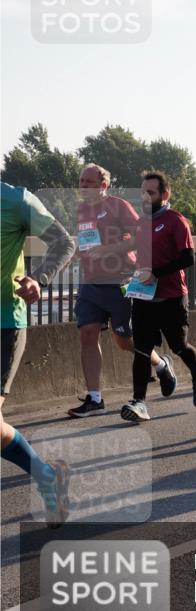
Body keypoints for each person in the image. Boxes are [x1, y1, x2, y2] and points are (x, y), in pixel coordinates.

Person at [69, 163, 175, 417]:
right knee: (87, 333)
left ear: (103, 185)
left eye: (89, 182)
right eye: (81, 181)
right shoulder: (82, 210)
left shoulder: (117, 206)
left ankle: (160, 364)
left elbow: (140, 236)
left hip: (120, 281)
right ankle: (94, 398)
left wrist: (109, 249)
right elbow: (85, 240)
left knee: (124, 341)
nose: (83, 186)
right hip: (91, 282)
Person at [1, 182, 75, 527]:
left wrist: (39, 279)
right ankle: (47, 475)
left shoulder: (15, 199)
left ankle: (46, 476)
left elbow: (64, 242)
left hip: (4, 321)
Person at [121, 172, 196, 422]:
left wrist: (156, 273)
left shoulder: (176, 221)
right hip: (143, 298)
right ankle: (139, 402)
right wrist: (134, 274)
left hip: (171, 297)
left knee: (179, 346)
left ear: (164, 195)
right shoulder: (140, 223)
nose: (145, 197)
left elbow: (188, 258)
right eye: (142, 192)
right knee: (141, 350)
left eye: (150, 193)